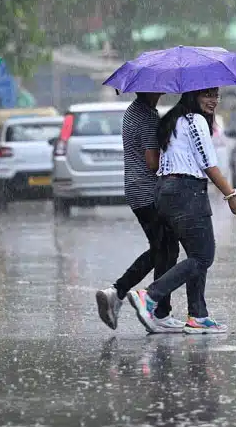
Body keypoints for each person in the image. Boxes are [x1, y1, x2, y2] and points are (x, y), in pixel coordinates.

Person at [127, 87, 236, 335]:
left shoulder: (174, 119)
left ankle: (198, 315)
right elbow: (208, 163)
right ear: (192, 96)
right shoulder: (195, 121)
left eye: (216, 95)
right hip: (186, 192)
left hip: (166, 192)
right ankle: (149, 296)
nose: (213, 100)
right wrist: (231, 195)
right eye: (207, 95)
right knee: (203, 256)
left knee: (195, 255)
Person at [96, 92, 183, 333]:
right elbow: (152, 162)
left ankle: (119, 292)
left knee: (161, 248)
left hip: (137, 189)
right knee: (167, 248)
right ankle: (158, 311)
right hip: (148, 192)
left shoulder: (135, 111)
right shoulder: (146, 117)